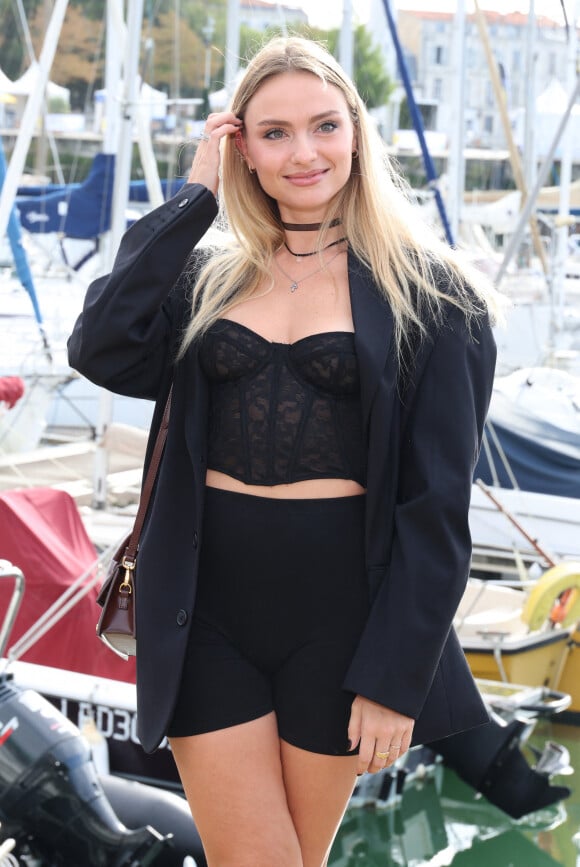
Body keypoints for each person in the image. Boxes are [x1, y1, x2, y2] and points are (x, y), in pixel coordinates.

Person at [69, 35, 500, 867]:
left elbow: (438, 505)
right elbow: (100, 344)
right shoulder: (207, 280)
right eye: (273, 133)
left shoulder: (438, 298)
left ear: (356, 134)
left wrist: (395, 675)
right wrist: (193, 197)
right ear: (243, 149)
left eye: (323, 126)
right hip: (204, 611)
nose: (303, 152)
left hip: (343, 626)